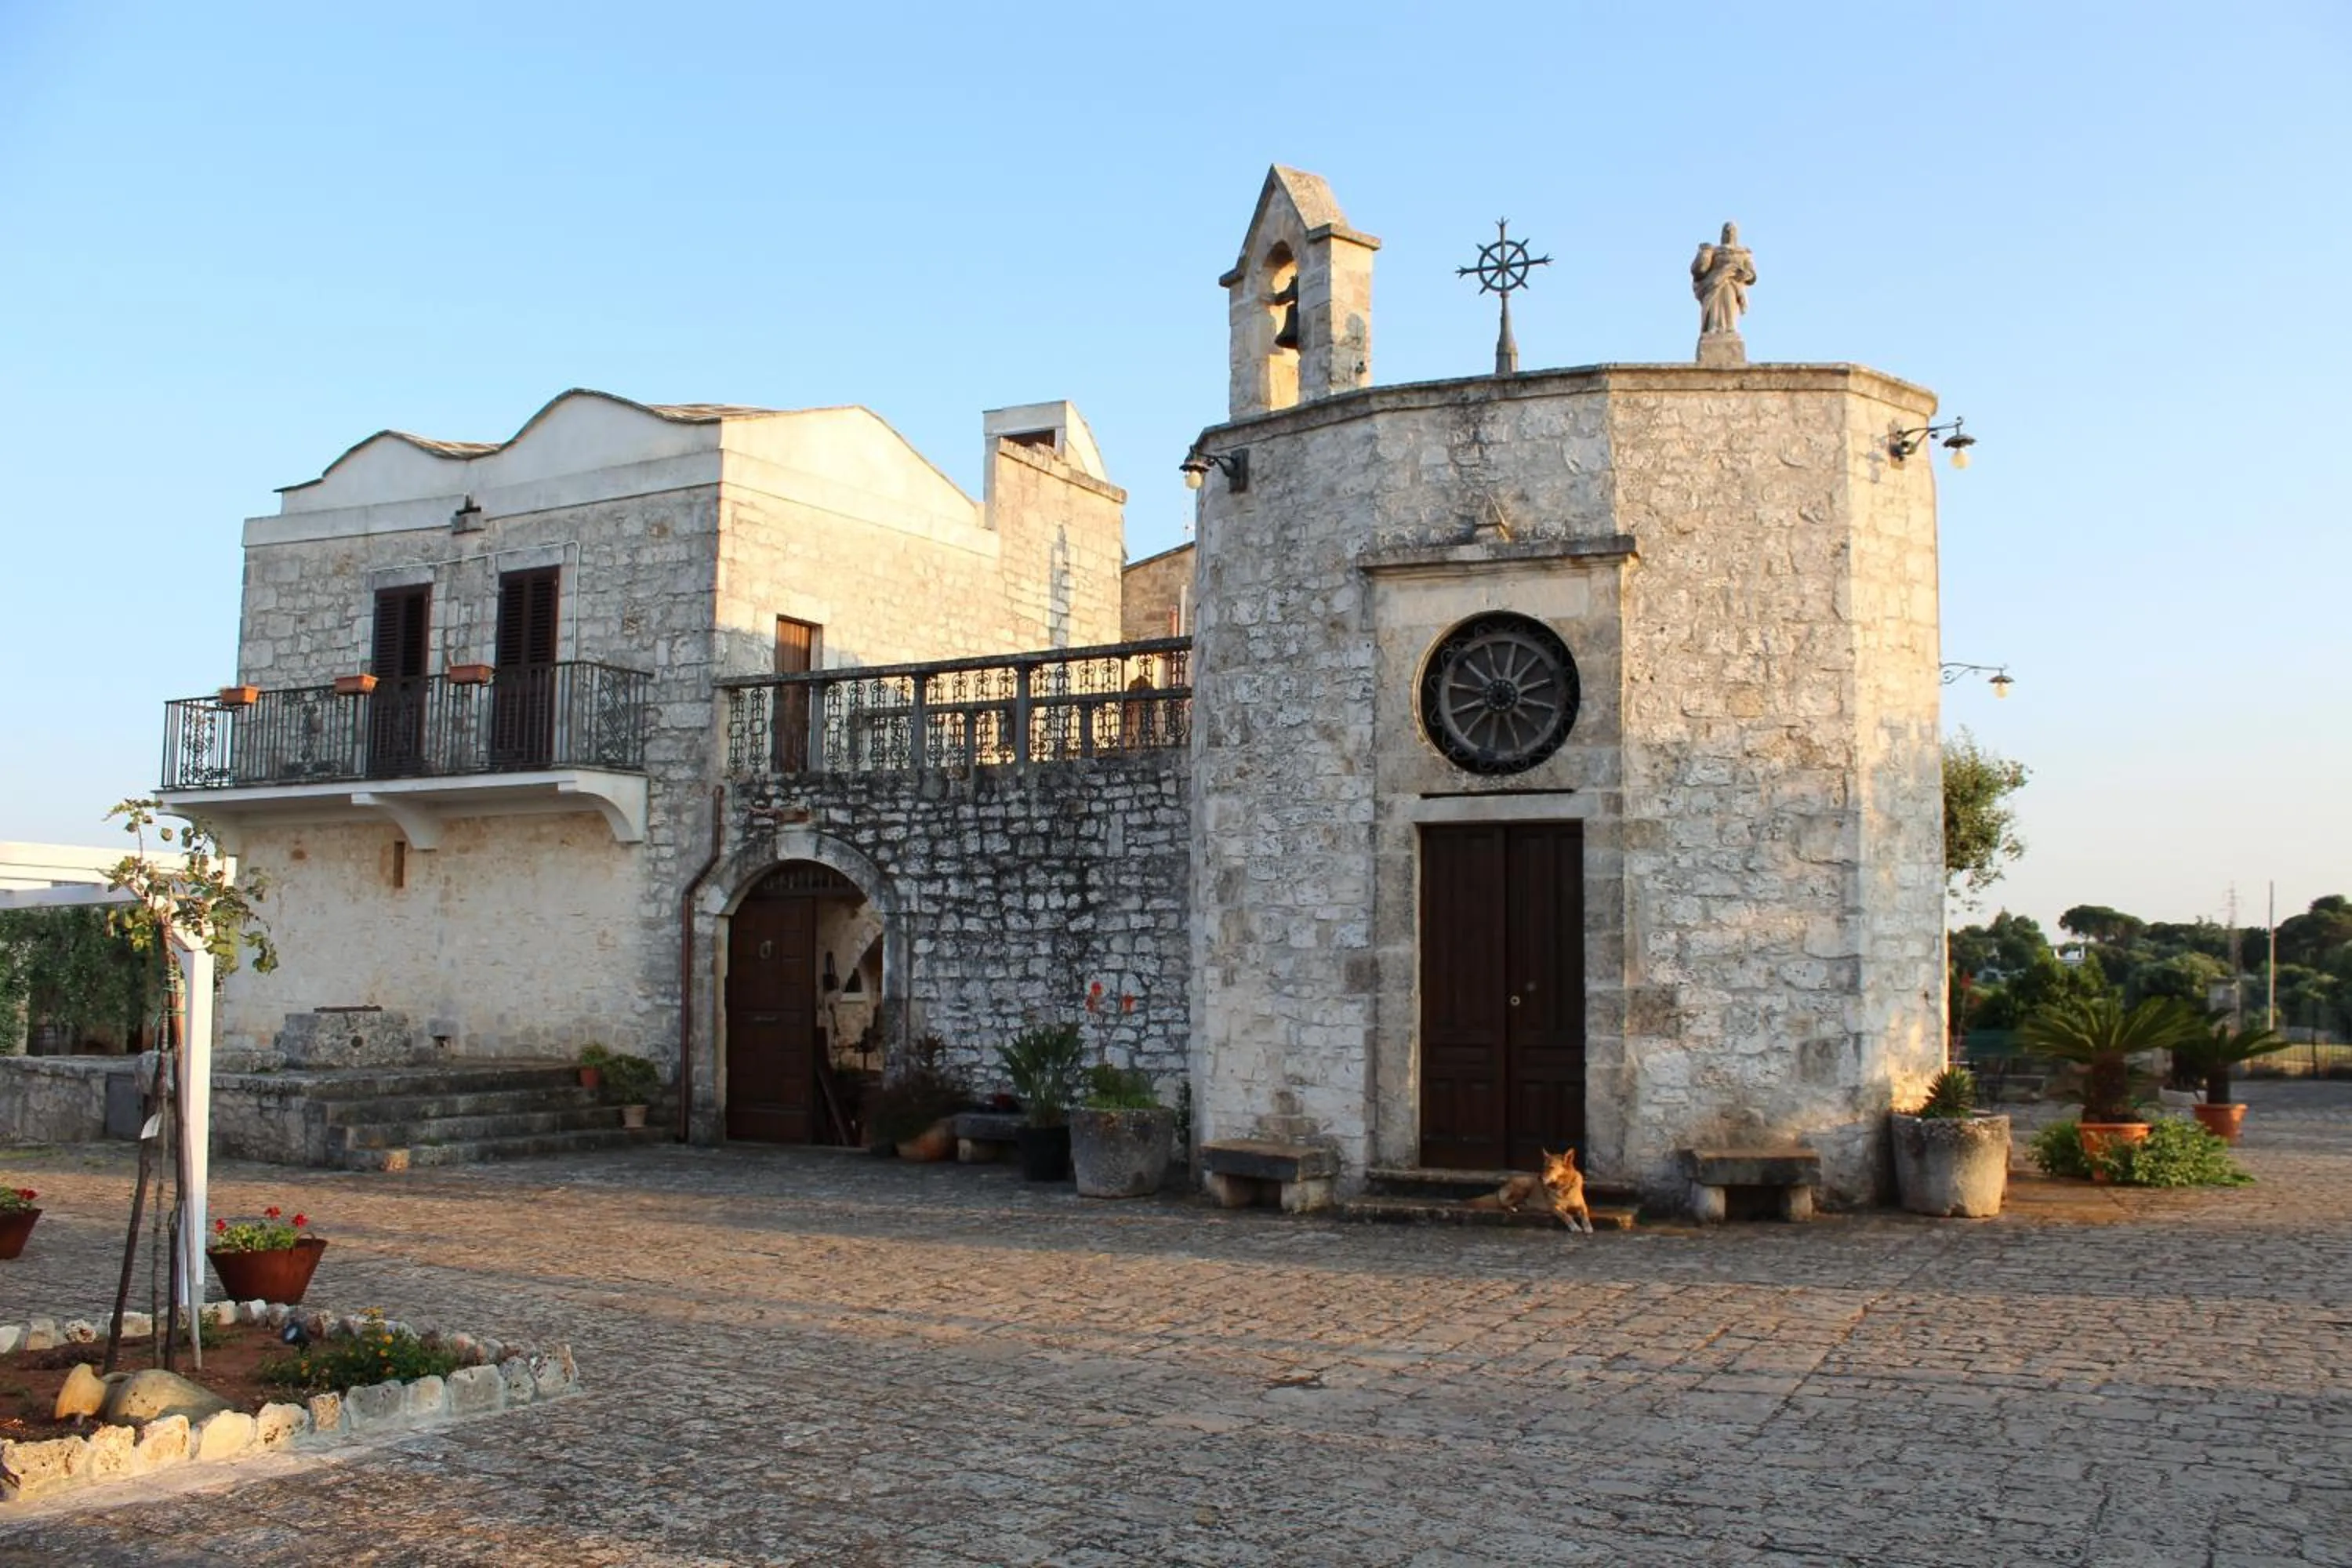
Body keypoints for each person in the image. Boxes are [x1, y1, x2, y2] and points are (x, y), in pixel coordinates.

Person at [1691, 221, 1755, 336]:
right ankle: (1713, 326)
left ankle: (1729, 328)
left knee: (1729, 299)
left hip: (1732, 285)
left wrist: (1742, 274)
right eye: (1727, 231)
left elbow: (1751, 274)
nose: (1729, 233)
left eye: (1732, 231)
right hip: (1714, 284)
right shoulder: (1714, 251)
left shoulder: (1743, 253)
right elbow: (1700, 270)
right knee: (1715, 305)